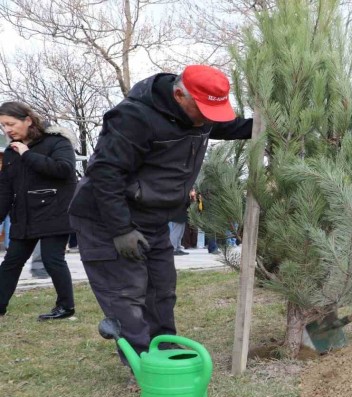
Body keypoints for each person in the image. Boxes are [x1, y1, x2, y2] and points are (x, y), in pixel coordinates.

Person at [68, 65, 253, 363]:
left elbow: (229, 126)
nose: (207, 119)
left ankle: (163, 348)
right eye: (202, 110)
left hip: (152, 218)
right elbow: (105, 174)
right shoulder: (133, 118)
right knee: (127, 292)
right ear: (179, 95)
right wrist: (120, 229)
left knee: (161, 289)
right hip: (106, 218)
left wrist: (267, 125)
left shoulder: (199, 116)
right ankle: (143, 363)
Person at [0, 101, 78, 319]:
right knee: (12, 261)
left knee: (52, 259)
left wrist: (27, 154)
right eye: (3, 126)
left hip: (55, 211)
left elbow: (64, 170)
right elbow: (5, 189)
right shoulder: (11, 152)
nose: (7, 130)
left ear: (28, 120)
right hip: (25, 216)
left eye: (10, 124)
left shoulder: (57, 142)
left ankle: (65, 307)